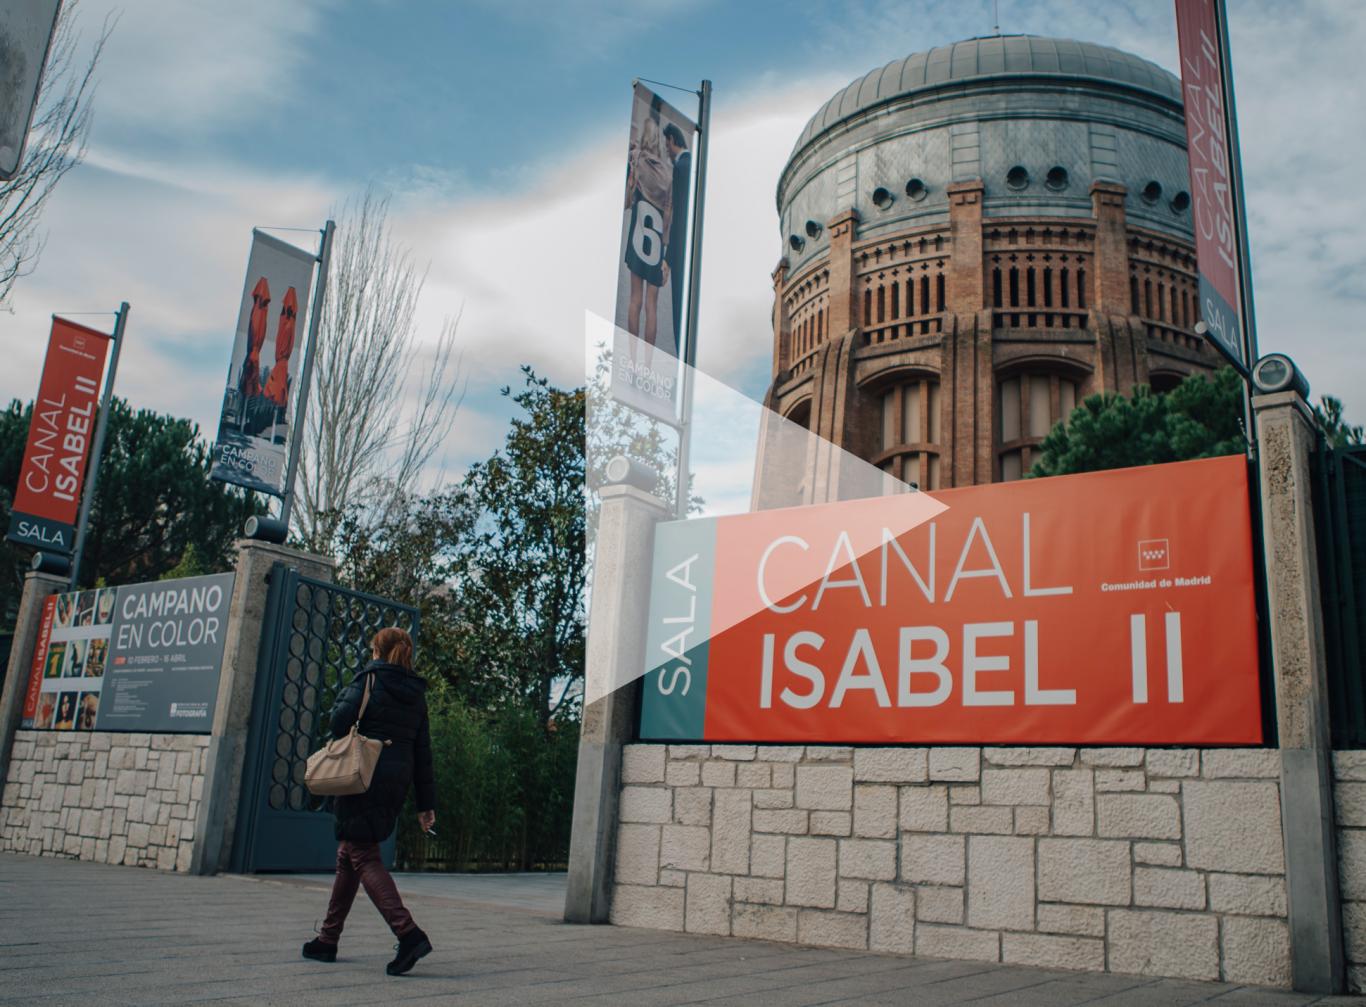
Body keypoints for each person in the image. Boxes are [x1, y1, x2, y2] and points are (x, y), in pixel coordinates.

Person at [301, 627, 437, 976]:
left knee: (362, 853)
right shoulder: (417, 694)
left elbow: (337, 722)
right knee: (350, 852)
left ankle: (408, 933)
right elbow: (423, 753)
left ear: (377, 650)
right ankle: (328, 940)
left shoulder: (369, 680)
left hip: (363, 775)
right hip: (396, 782)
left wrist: (354, 688)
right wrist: (426, 804)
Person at [623, 103, 673, 359]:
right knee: (652, 306)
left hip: (637, 237)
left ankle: (632, 357)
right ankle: (648, 362)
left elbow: (628, 199)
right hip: (656, 246)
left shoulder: (637, 161)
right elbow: (668, 215)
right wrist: (665, 251)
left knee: (635, 300)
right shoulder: (666, 175)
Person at [662, 122, 691, 348]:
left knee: (679, 309)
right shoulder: (694, 166)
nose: (666, 149)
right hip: (692, 250)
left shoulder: (681, 168)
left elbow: (679, 214)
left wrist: (669, 257)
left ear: (672, 140)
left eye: (666, 143)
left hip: (682, 251)